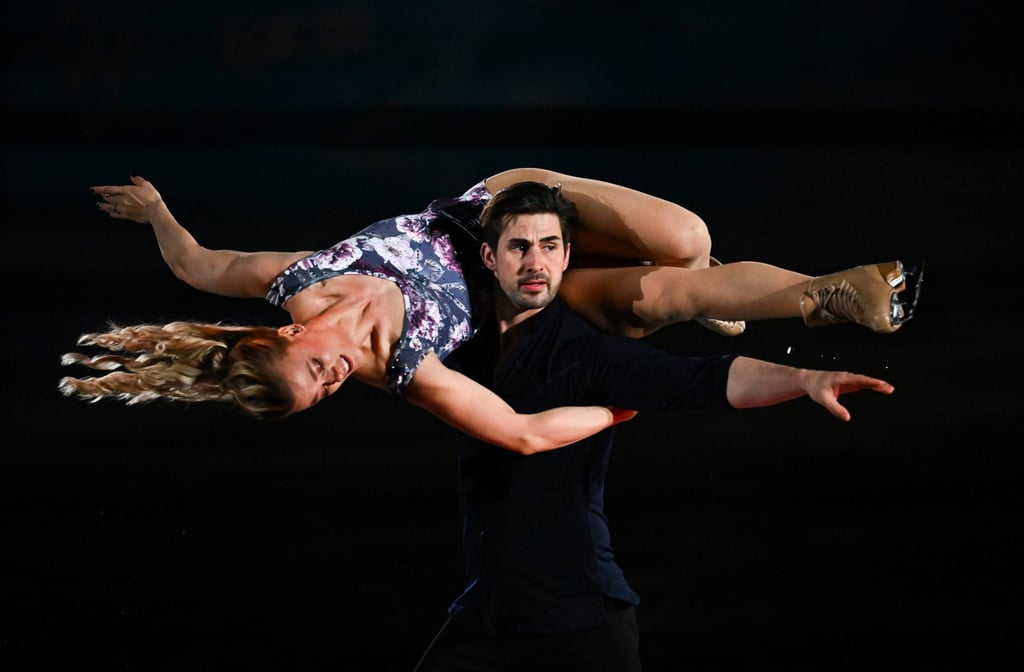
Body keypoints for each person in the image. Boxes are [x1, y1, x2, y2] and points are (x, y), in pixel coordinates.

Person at [59, 168, 919, 453]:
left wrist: (156, 212)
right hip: (529, 285)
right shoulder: (405, 370)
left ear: (291, 331)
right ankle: (834, 293)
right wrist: (624, 405)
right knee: (664, 292)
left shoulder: (301, 278)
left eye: (315, 367)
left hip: (502, 211)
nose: (336, 375)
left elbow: (200, 265)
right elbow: (519, 434)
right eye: (326, 390)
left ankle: (719, 294)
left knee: (688, 240)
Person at [411, 181, 898, 672]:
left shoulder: (586, 354)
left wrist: (803, 378)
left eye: (550, 246)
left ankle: (815, 291)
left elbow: (703, 379)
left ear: (567, 256)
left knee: (676, 267)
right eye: (519, 247)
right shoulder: (464, 342)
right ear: (489, 257)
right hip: (488, 614)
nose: (536, 262)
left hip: (580, 621)